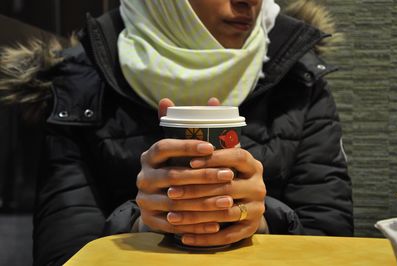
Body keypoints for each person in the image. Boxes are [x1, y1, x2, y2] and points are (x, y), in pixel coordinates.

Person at [0, 0, 354, 265]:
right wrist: (141, 221)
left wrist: (257, 219)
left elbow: (333, 241)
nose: (248, 1)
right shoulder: (79, 81)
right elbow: (61, 254)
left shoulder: (299, 76)